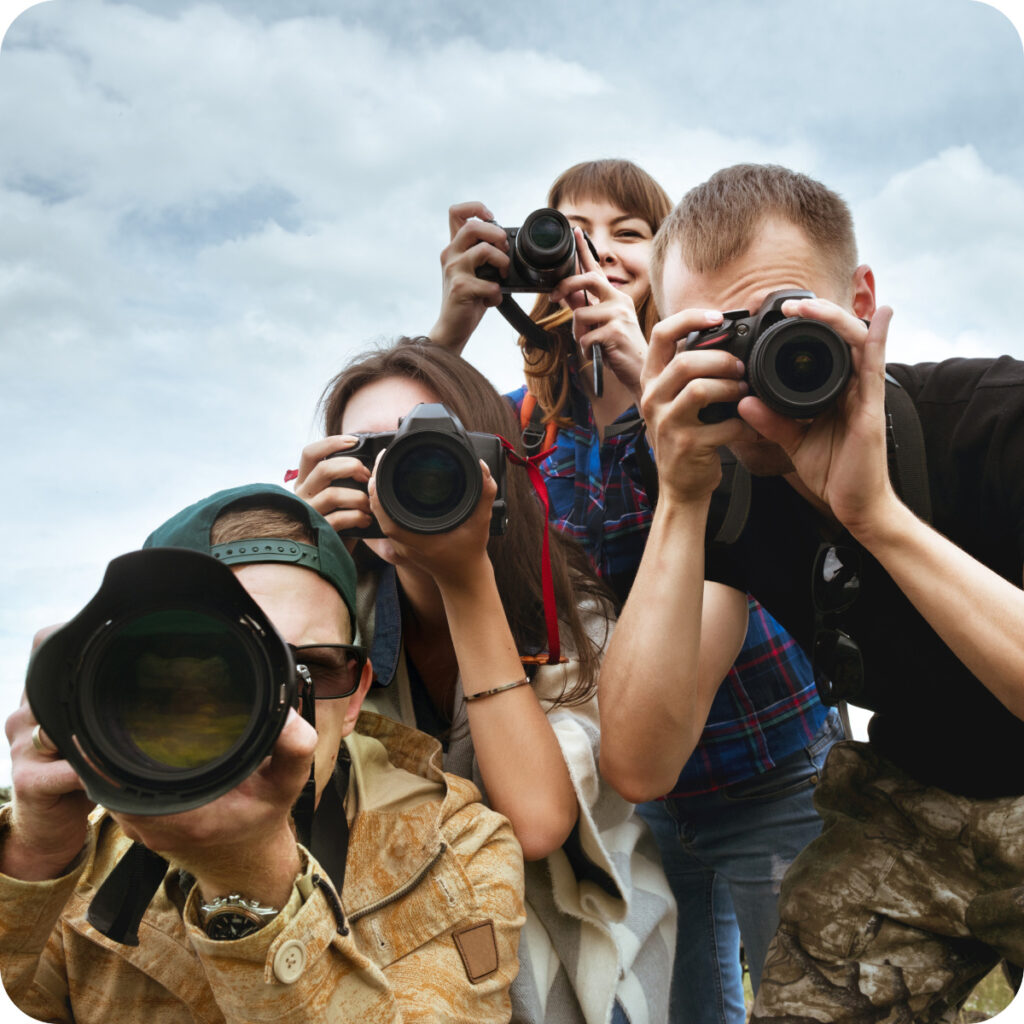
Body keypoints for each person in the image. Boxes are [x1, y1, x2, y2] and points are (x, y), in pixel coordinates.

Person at [602, 161, 1024, 1022]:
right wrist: (680, 497)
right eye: (717, 340)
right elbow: (642, 761)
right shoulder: (729, 491)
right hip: (915, 811)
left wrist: (876, 518)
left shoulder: (997, 422)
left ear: (860, 303)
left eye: (783, 327)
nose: (760, 374)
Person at [428, 158, 842, 1021]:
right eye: (571, 230)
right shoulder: (524, 428)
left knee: (807, 998)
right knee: (689, 1002)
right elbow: (411, 456)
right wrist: (452, 329)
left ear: (669, 264)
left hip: (767, 763)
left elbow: (722, 519)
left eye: (629, 232)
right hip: (639, 790)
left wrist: (638, 381)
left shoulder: (725, 386)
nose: (600, 251)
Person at [0, 483, 526, 1023]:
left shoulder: (454, 847)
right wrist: (37, 852)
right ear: (129, 681)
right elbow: (38, 988)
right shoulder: (96, 822)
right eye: (219, 668)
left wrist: (249, 875)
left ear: (356, 693)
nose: (275, 712)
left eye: (312, 671)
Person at [293, 338, 676, 1024]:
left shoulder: (573, 616)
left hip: (572, 944)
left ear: (493, 463)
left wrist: (464, 577)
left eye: (423, 454)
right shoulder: (334, 623)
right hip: (397, 951)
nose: (396, 480)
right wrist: (297, 562)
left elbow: (536, 824)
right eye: (369, 456)